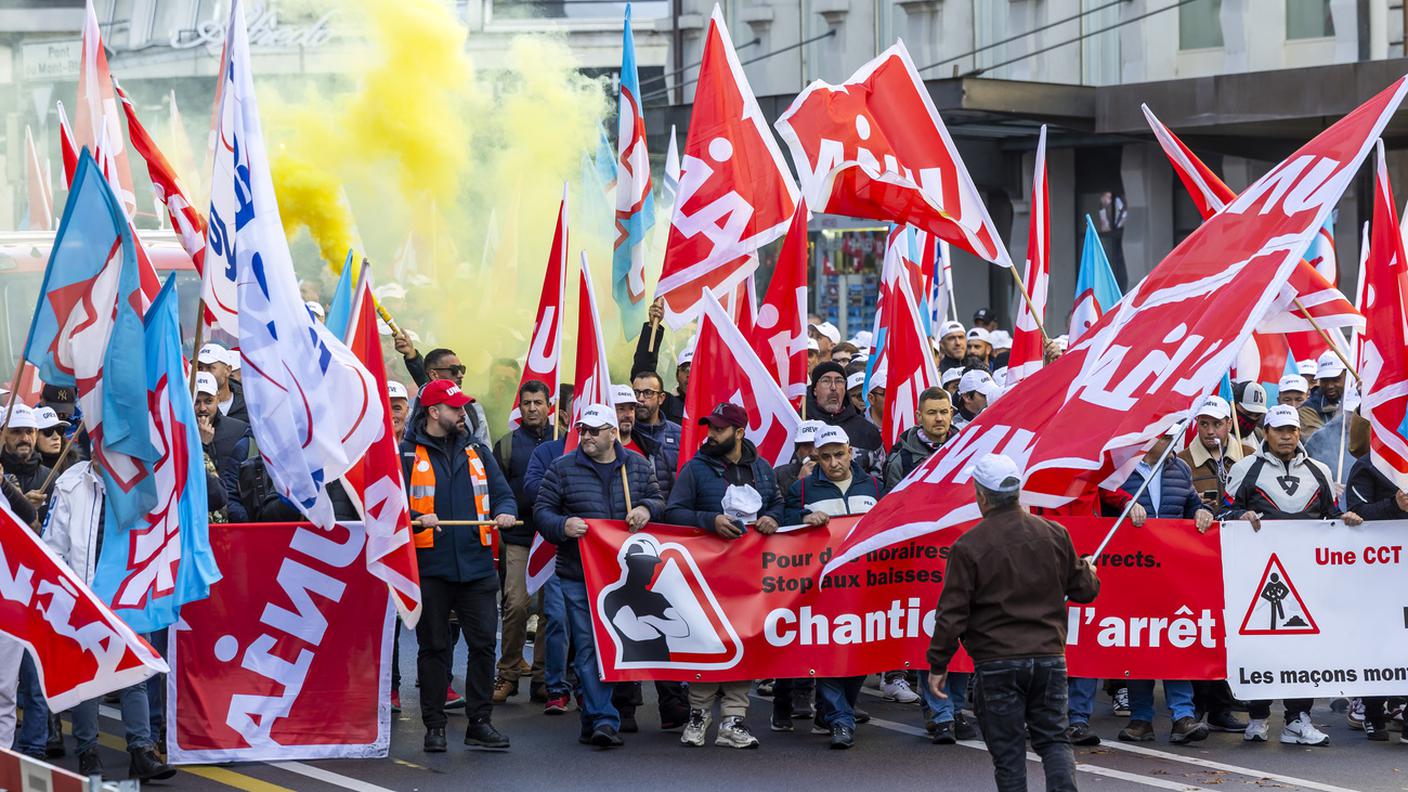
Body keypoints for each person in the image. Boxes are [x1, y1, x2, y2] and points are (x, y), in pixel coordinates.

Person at [928, 454, 1099, 792]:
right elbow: (1085, 590)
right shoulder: (1054, 533)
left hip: (997, 660)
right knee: (1054, 740)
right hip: (1049, 656)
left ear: (981, 495)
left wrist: (938, 663)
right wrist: (1089, 571)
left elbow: (952, 613)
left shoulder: (968, 546)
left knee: (1008, 754)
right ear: (1018, 491)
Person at [1222, 404, 1361, 746]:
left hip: (1308, 579)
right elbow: (1224, 511)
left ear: (1300, 432)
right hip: (1255, 577)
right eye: (1280, 430)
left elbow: (1331, 517)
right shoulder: (1244, 469)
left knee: (1304, 649)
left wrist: (1348, 523)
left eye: (1292, 430)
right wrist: (1238, 517)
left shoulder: (1320, 470)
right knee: (1259, 645)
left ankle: (1298, 719)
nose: (1287, 436)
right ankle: (1257, 716)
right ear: (1266, 432)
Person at [536, 404, 664, 749]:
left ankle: (592, 717)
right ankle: (605, 719)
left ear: (612, 433)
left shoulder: (636, 466)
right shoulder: (562, 468)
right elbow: (541, 512)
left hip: (623, 576)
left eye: (595, 431)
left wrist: (646, 508)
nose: (587, 436)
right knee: (590, 645)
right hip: (578, 574)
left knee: (616, 644)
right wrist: (562, 525)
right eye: (583, 430)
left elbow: (657, 498)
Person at [401, 380, 517, 753]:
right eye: (454, 408)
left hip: (477, 567)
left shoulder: (478, 452)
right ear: (434, 412)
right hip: (430, 568)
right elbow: (389, 508)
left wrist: (504, 513)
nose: (462, 412)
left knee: (483, 646)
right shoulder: (404, 455)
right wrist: (417, 516)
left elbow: (503, 495)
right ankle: (434, 727)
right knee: (434, 648)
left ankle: (479, 723)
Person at [43, 460, 176, 782]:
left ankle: (141, 751)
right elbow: (53, 546)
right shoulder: (71, 483)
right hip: (83, 595)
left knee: (136, 672)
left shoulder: (147, 481)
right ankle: (88, 752)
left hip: (130, 593)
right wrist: (71, 593)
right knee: (88, 675)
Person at [667, 402, 782, 749]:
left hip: (749, 576)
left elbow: (776, 502)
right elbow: (673, 512)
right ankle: (699, 716)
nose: (711, 434)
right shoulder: (695, 469)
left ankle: (733, 720)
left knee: (743, 641)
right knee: (705, 642)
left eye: (718, 429)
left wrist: (772, 517)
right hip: (706, 575)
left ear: (739, 432)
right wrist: (708, 520)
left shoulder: (761, 469)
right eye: (710, 427)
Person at [784, 426, 882, 748]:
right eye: (825, 457)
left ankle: (834, 711)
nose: (834, 462)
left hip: (865, 586)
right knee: (828, 653)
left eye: (839, 454)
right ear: (817, 458)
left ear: (850, 452)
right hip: (822, 589)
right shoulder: (802, 490)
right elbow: (782, 524)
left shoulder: (874, 485)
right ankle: (841, 720)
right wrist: (801, 518)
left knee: (858, 657)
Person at [1115, 428, 1214, 745]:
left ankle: (1182, 717)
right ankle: (1141, 719)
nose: (1174, 442)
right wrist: (1124, 506)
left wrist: (1202, 511)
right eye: (1166, 436)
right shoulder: (1123, 468)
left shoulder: (1180, 468)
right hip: (1133, 572)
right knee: (1139, 644)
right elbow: (1102, 507)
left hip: (1171, 571)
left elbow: (1191, 505)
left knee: (1175, 640)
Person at [607, 384, 688, 731]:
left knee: (662, 625)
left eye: (630, 407)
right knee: (623, 634)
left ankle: (671, 701)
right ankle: (624, 706)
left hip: (652, 547)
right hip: (608, 554)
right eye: (620, 408)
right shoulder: (585, 456)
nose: (627, 413)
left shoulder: (644, 454)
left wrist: (645, 507)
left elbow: (660, 496)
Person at [491, 380, 555, 705]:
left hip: (554, 539)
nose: (532, 408)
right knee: (516, 605)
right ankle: (508, 674)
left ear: (549, 405)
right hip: (519, 537)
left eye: (538, 402)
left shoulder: (566, 441)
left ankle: (543, 678)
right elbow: (495, 489)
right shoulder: (506, 445)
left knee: (549, 611)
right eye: (527, 402)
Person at [1345, 453, 1408, 742]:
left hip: (1404, 569)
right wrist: (1394, 505)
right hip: (1376, 570)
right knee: (1378, 639)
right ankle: (1371, 711)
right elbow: (1357, 514)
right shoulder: (1367, 464)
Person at [805, 363, 884, 472]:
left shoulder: (866, 430)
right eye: (826, 381)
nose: (833, 387)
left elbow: (879, 476)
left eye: (839, 381)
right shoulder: (801, 423)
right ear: (814, 389)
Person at [194, 372, 252, 522]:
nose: (202, 408)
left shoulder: (238, 430)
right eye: (196, 402)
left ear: (218, 398)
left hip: (234, 521)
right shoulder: (178, 432)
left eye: (208, 401)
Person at [885, 387, 952, 490]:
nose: (939, 418)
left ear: (951, 413)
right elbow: (894, 504)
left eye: (944, 412)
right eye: (932, 413)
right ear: (919, 416)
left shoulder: (966, 448)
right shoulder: (900, 461)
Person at [1, 404, 52, 527]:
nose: (24, 438)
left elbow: (54, 533)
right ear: (2, 434)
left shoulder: (51, 477)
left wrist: (29, 512)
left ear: (36, 433)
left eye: (29, 431)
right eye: (16, 431)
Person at [631, 370, 682, 475]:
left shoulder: (679, 435)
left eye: (648, 393)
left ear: (661, 398)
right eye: (636, 393)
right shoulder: (624, 434)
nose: (640, 399)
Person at [196, 343, 247, 422]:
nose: (204, 373)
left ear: (227, 370)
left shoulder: (248, 405)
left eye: (210, 368)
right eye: (199, 368)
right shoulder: (187, 406)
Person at [1299, 352, 1346, 436]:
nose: (1330, 386)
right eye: (1324, 380)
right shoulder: (1308, 409)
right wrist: (1339, 417)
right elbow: (1317, 445)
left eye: (1336, 379)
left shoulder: (1361, 401)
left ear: (1347, 376)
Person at [774, 420, 822, 495]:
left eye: (817, 445)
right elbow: (779, 504)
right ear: (797, 450)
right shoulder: (780, 474)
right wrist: (799, 483)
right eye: (806, 445)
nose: (813, 452)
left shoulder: (840, 472)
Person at [32, 407, 78, 478]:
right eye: (48, 431)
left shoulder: (75, 466)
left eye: (60, 429)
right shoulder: (25, 474)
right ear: (33, 436)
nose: (56, 437)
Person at [1233, 381, 1268, 449]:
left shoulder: (1259, 436)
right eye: (1248, 413)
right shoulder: (1219, 437)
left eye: (1258, 415)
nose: (1252, 418)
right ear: (1234, 405)